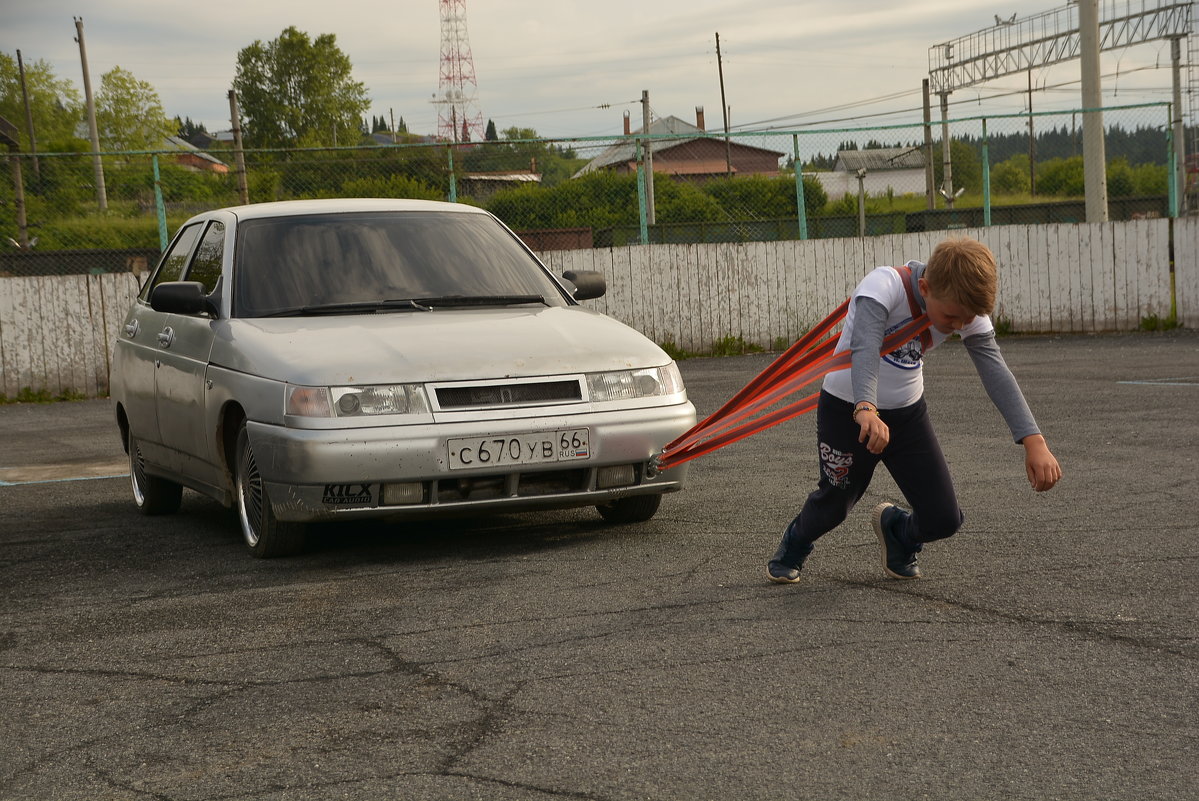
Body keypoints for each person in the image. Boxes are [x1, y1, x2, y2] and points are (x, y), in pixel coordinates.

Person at [766, 238, 1062, 584]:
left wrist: (1034, 440)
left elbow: (996, 372)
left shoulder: (963, 310)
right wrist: (866, 407)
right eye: (952, 316)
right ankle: (797, 541)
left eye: (968, 319)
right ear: (925, 287)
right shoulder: (884, 285)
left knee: (944, 519)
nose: (959, 325)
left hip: (906, 416)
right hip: (850, 410)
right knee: (834, 504)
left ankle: (899, 532)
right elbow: (865, 347)